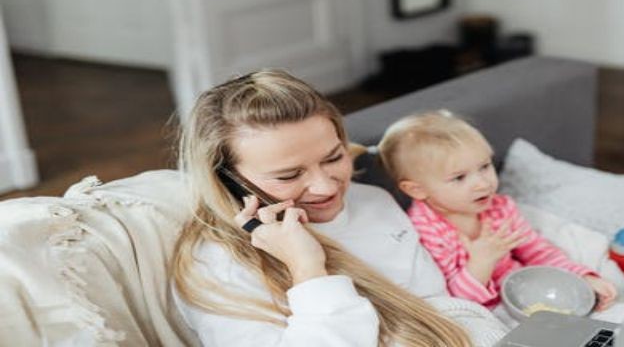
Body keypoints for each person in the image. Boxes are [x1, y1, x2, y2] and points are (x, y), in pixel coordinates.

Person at [170, 70, 507, 347]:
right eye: (289, 175)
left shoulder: (372, 200)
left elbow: (435, 301)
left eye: (334, 157)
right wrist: (307, 268)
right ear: (229, 180)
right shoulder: (219, 268)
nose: (327, 187)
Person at [372, 110, 618, 312]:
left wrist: (581, 277)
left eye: (485, 166)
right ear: (417, 190)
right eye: (459, 178)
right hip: (480, 312)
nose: (483, 183)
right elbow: (453, 302)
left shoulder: (500, 208)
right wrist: (481, 261)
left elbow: (537, 251)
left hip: (523, 295)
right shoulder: (425, 233)